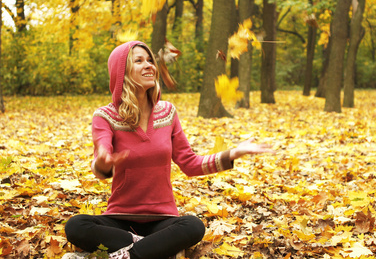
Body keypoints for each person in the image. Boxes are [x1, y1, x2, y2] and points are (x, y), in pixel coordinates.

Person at [63, 41, 274, 259]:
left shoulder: (167, 112)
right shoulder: (105, 116)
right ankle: (149, 249)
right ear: (121, 72)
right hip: (120, 219)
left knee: (193, 226)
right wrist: (104, 163)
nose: (149, 66)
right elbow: (101, 159)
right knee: (76, 225)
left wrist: (233, 153)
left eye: (150, 61)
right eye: (138, 61)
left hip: (162, 221)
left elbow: (190, 163)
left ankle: (126, 254)